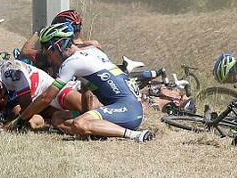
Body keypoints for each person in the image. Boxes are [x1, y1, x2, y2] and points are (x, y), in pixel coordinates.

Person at [18, 23, 153, 142]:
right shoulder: (92, 51)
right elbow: (87, 93)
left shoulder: (71, 63)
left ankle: (135, 135)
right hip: (127, 107)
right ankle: (97, 131)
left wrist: (20, 120)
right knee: (58, 118)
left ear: (58, 46)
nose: (49, 59)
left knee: (79, 123)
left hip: (128, 111)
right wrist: (87, 113)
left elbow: (46, 98)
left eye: (49, 53)